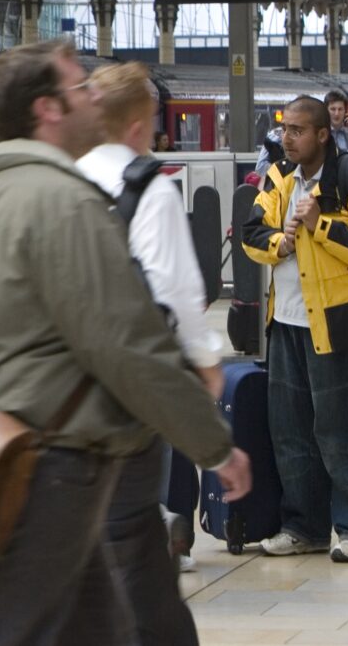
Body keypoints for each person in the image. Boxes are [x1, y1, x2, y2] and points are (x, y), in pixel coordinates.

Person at [0, 43, 249, 646]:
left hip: (5, 464)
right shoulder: (63, 204)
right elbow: (128, 344)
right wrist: (214, 444)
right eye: (79, 87)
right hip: (46, 471)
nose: (95, 95)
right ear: (48, 109)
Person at [79, 62, 225, 615]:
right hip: (129, 385)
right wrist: (205, 362)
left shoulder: (61, 179)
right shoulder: (150, 188)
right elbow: (173, 291)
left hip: (62, 383)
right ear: (144, 123)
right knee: (130, 521)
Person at [242, 95, 348, 562]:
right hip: (285, 322)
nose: (287, 137)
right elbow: (252, 234)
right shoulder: (277, 178)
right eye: (284, 128)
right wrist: (281, 244)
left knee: (340, 429)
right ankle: (304, 526)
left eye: (298, 130)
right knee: (289, 430)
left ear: (323, 135)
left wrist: (321, 226)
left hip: (336, 323)